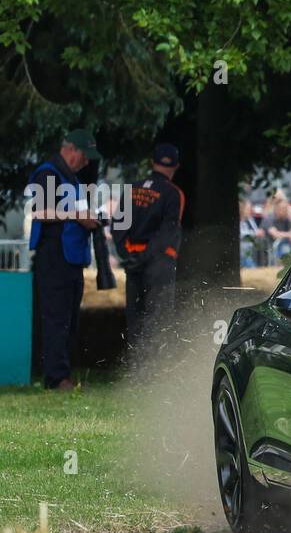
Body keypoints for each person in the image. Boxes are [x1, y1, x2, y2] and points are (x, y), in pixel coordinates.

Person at [27, 128, 102, 390]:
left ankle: (63, 374)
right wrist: (75, 217)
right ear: (71, 149)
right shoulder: (48, 173)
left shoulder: (72, 179)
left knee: (69, 320)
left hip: (71, 259)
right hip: (54, 256)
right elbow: (39, 212)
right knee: (56, 319)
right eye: (84, 156)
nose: (87, 162)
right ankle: (56, 378)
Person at [118, 143, 185, 357]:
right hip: (159, 264)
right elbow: (167, 233)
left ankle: (136, 368)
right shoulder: (174, 194)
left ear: (152, 163)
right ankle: (155, 369)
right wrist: (146, 257)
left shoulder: (131, 189)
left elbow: (118, 227)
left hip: (132, 261)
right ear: (176, 166)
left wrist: (127, 255)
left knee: (134, 317)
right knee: (159, 318)